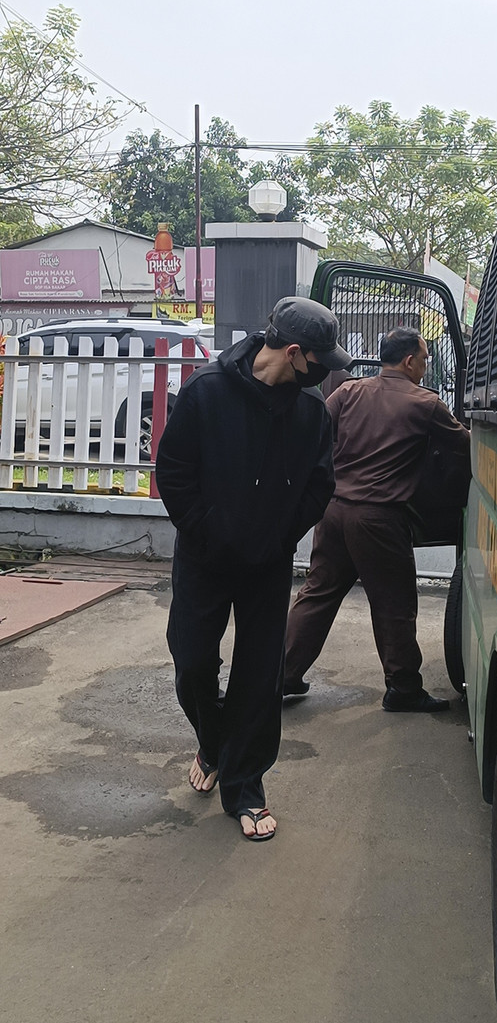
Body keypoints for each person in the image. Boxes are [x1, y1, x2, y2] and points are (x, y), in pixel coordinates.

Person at [155, 296, 350, 841]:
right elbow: (172, 471)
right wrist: (207, 531)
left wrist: (278, 534)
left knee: (260, 677)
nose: (325, 372)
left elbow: (320, 485)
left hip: (266, 563)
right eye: (319, 360)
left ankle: (245, 786)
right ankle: (213, 739)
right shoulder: (206, 391)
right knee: (192, 661)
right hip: (204, 558)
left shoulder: (310, 413)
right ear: (293, 352)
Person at [284, 325, 470, 713]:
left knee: (317, 594)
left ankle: (279, 677)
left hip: (333, 513)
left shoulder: (348, 391)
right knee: (394, 605)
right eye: (423, 358)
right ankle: (403, 687)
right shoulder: (425, 404)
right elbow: (466, 449)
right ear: (409, 361)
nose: (424, 365)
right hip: (380, 519)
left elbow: (316, 432)